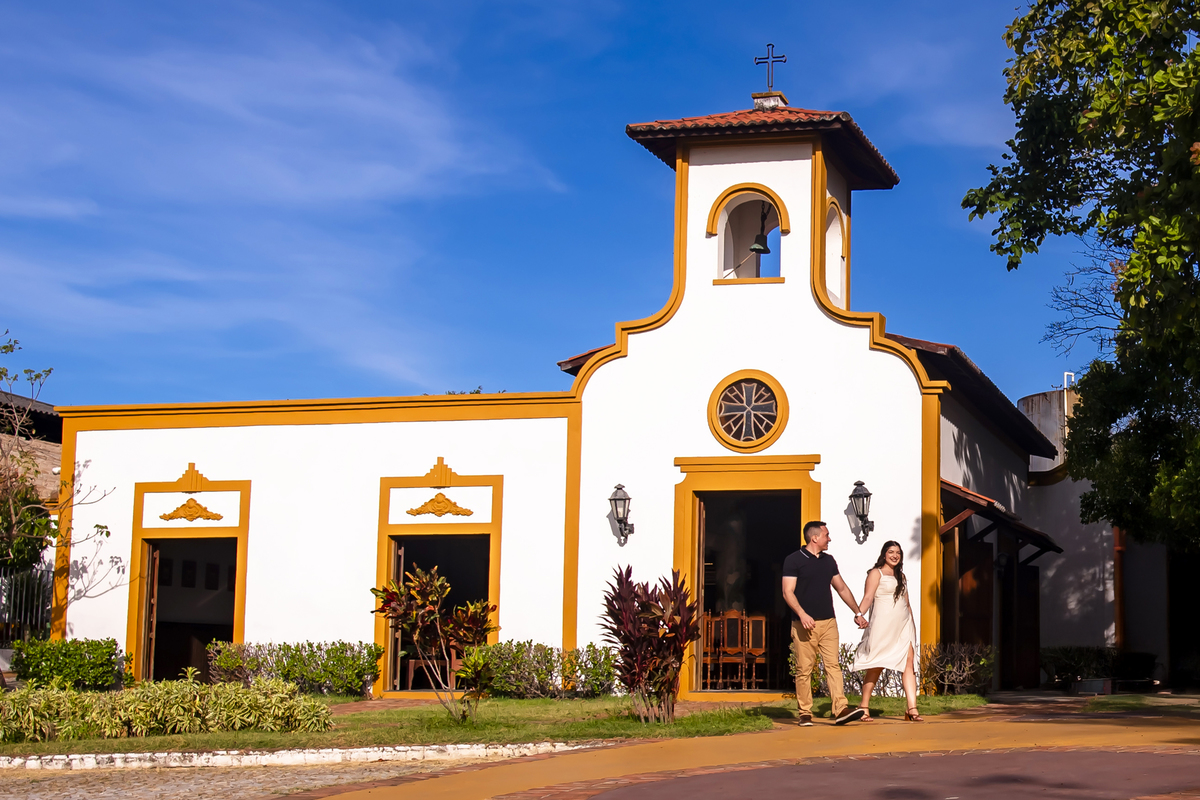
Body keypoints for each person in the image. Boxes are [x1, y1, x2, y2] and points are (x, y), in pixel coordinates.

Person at [781, 520, 868, 727]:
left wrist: (857, 612)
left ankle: (840, 709)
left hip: (828, 622)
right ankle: (805, 713)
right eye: (826, 535)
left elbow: (842, 589)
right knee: (805, 669)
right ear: (815, 538)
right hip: (804, 624)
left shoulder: (829, 561)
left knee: (833, 666)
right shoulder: (793, 560)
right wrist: (802, 614)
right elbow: (787, 591)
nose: (829, 539)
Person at [850, 539, 923, 722]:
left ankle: (912, 708)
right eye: (891, 552)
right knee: (877, 664)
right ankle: (864, 706)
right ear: (884, 554)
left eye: (898, 552)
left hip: (903, 626)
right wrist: (859, 614)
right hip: (883, 626)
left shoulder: (902, 577)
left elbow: (907, 603)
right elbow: (868, 597)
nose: (895, 555)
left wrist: (912, 625)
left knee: (908, 663)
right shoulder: (876, 573)